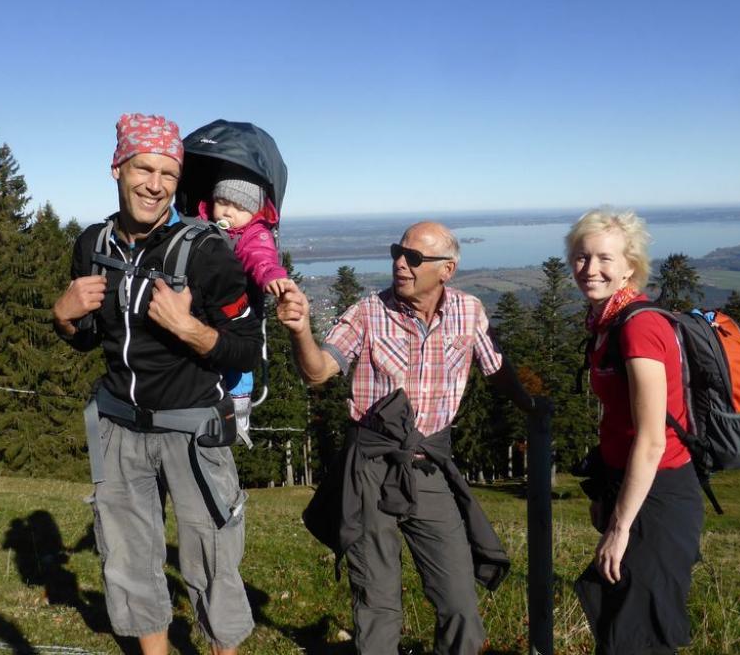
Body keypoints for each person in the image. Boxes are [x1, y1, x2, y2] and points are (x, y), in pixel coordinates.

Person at [276, 220, 539, 655]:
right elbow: (318, 371)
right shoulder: (367, 312)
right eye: (397, 252)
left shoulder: (469, 312)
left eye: (414, 257)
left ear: (447, 269)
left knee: (460, 602)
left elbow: (496, 369)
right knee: (377, 602)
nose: (400, 263)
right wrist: (301, 331)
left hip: (429, 467)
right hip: (370, 470)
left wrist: (530, 405)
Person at [52, 113, 262, 655]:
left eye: (168, 174)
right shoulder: (93, 244)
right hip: (118, 428)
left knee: (213, 560)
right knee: (128, 560)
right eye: (144, 169)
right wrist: (65, 318)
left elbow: (247, 347)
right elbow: (91, 338)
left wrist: (190, 330)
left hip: (193, 432)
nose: (155, 184)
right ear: (117, 168)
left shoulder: (207, 252)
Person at [566, 208, 703, 655]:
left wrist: (621, 527)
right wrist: (604, 495)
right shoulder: (607, 324)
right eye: (581, 256)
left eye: (605, 258)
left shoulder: (639, 328)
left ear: (629, 266)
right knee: (620, 621)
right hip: (630, 486)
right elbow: (619, 422)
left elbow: (651, 439)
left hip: (657, 496)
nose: (590, 268)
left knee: (637, 633)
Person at [196, 174, 288, 440]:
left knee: (238, 360)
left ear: (254, 212)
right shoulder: (200, 227)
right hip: (204, 310)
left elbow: (260, 258)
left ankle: (238, 409)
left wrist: (270, 275)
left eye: (239, 207)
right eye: (223, 202)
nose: (228, 212)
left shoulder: (253, 235)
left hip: (238, 311)